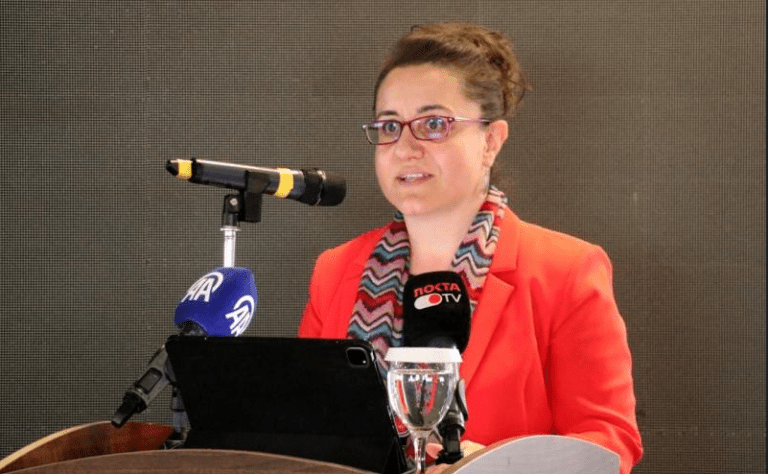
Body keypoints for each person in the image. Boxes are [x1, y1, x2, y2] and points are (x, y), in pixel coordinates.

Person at [299, 21, 643, 473]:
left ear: (491, 141)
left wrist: (494, 466)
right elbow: (302, 433)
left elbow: (608, 445)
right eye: (389, 126)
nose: (405, 147)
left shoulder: (566, 272)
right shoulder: (335, 271)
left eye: (434, 124)